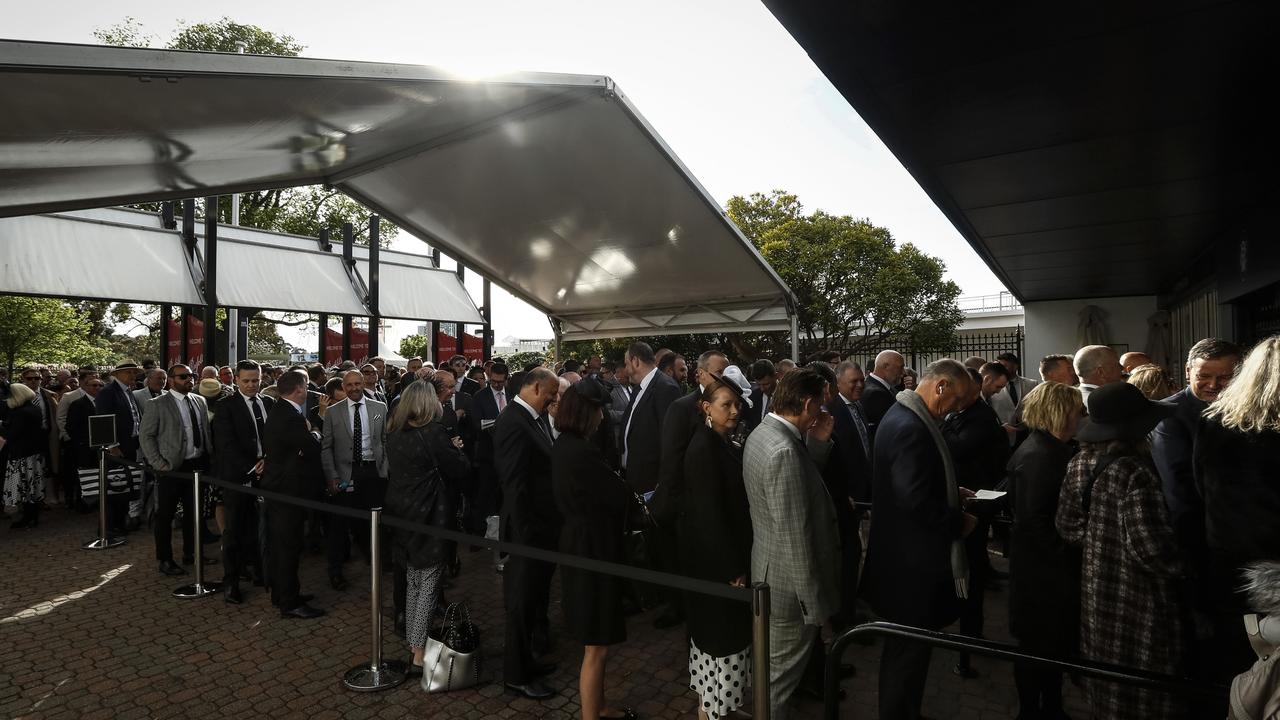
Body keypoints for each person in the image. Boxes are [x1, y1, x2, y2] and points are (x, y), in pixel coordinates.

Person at [1056, 382, 1184, 719]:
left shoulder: (1079, 462)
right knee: (1142, 688)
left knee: (1106, 682)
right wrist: (1189, 566)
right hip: (1138, 600)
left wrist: (1101, 543)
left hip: (1096, 593)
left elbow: (1067, 525)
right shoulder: (1135, 472)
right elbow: (1151, 551)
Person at [861, 359, 976, 720]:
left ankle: (903, 711)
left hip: (903, 561)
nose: (956, 410)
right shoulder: (911, 426)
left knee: (906, 653)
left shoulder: (902, 415)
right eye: (955, 400)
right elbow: (913, 500)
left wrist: (948, 489)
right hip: (910, 567)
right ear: (940, 386)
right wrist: (957, 521)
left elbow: (912, 485)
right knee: (906, 654)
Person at [742, 368, 838, 718]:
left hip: (769, 574)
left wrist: (818, 445)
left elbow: (793, 492)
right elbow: (796, 538)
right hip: (787, 589)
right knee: (776, 686)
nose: (822, 414)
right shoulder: (782, 449)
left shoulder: (764, 433)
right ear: (808, 403)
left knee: (772, 677)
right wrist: (817, 611)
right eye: (820, 406)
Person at [1194, 335, 1280, 690]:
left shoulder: (1215, 420)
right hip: (1272, 563)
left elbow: (1200, 487)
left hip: (1228, 562)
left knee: (1238, 667)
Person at [551, 379, 636, 720]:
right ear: (587, 413)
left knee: (596, 640)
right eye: (599, 410)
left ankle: (598, 707)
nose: (603, 416)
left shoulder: (566, 446)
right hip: (591, 549)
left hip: (581, 542)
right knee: (595, 644)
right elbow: (617, 494)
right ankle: (591, 715)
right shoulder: (581, 451)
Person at [1006, 382, 1083, 720]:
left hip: (1043, 568)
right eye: (1077, 411)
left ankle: (1051, 706)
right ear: (1060, 412)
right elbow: (1033, 520)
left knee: (1050, 646)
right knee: (1037, 645)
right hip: (1041, 574)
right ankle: (1031, 711)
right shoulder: (1040, 454)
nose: (1081, 417)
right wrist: (1065, 556)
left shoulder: (1049, 448)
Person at [383, 380, 471, 674]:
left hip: (401, 511)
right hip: (430, 512)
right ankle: (419, 654)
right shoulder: (433, 432)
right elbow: (460, 470)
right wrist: (457, 449)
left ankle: (414, 643)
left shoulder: (393, 433)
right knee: (429, 582)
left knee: (413, 580)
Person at [681, 371, 753, 720]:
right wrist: (731, 569)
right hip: (716, 568)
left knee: (721, 646)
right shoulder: (704, 448)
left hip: (718, 564)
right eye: (727, 405)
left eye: (737, 404)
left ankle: (715, 708)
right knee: (720, 645)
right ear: (707, 407)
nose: (735, 411)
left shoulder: (719, 441)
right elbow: (709, 516)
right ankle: (714, 710)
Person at [650, 350, 731, 628]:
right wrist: (681, 505)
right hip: (688, 508)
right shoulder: (682, 407)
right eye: (719, 372)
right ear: (701, 374)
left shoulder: (732, 405)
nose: (725, 378)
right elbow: (671, 461)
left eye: (727, 372)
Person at [495, 367, 562, 700]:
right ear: (536, 388)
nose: (554, 398)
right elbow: (514, 483)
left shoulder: (531, 417)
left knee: (533, 600)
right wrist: (526, 535)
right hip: (527, 533)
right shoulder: (512, 421)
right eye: (551, 392)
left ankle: (528, 662)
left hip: (540, 528)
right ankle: (516, 675)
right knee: (520, 605)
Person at [942, 364, 1010, 678]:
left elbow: (957, 447)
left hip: (973, 504)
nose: (954, 400)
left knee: (971, 573)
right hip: (962, 500)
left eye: (961, 394)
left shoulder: (980, 418)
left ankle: (971, 638)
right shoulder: (960, 415)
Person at [260, 369, 325, 619]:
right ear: (299, 389)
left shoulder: (283, 411)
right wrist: (315, 432)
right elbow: (310, 447)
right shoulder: (289, 416)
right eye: (306, 386)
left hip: (283, 487)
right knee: (287, 546)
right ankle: (289, 602)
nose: (308, 390)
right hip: (286, 490)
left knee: (285, 545)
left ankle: (284, 592)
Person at [138, 364, 212, 576]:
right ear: (171, 380)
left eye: (191, 376)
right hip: (170, 468)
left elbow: (204, 431)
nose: (189, 380)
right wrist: (158, 463)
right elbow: (146, 436)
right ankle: (165, 559)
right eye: (183, 376)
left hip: (196, 466)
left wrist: (209, 459)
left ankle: (192, 553)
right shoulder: (157, 404)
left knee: (194, 514)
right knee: (166, 515)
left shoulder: (200, 401)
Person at [212, 360, 274, 605]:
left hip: (267, 474)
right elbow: (225, 445)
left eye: (255, 380)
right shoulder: (225, 406)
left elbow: (274, 437)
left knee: (262, 528)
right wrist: (253, 467)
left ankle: (260, 572)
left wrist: (268, 462)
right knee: (234, 531)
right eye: (246, 381)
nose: (251, 385)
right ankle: (232, 582)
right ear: (236, 379)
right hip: (237, 477)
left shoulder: (269, 402)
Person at [320, 369, 389, 591]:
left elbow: (385, 441)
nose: (354, 388)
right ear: (344, 386)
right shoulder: (333, 411)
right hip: (345, 475)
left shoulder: (380, 408)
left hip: (373, 473)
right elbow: (326, 447)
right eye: (349, 385)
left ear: (363, 383)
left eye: (358, 383)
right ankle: (335, 571)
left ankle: (377, 561)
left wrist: (385, 470)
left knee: (374, 522)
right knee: (340, 525)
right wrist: (332, 476)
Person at [825, 360, 873, 628]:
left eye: (861, 380)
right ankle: (843, 617)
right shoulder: (832, 411)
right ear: (838, 382)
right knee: (847, 557)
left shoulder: (858, 406)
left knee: (855, 555)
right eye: (853, 381)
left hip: (860, 495)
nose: (859, 385)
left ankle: (850, 608)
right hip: (844, 499)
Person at [620, 341, 683, 493]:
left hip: (651, 483)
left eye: (626, 364)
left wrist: (662, 485)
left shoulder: (666, 387)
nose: (625, 370)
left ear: (635, 361)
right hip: (633, 477)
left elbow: (671, 441)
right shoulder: (639, 387)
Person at [2, 382, 47, 529]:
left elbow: (12, 434)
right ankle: (32, 515)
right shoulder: (34, 408)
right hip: (32, 454)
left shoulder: (19, 412)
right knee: (31, 487)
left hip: (21, 455)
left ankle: (28, 516)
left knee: (23, 487)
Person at [861, 350, 905, 439]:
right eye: (901, 367)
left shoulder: (881, 388)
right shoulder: (875, 394)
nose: (903, 372)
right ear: (886, 366)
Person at [990, 352, 1040, 426]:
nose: (1001, 369)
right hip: (1003, 428)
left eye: (1004, 366)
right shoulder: (993, 386)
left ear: (1015, 366)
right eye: (1000, 366)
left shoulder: (1032, 384)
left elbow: (1036, 406)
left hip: (1026, 427)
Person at [741, 358, 777, 433]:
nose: (762, 389)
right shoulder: (751, 398)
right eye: (758, 384)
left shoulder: (788, 395)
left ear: (775, 376)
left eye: (766, 384)